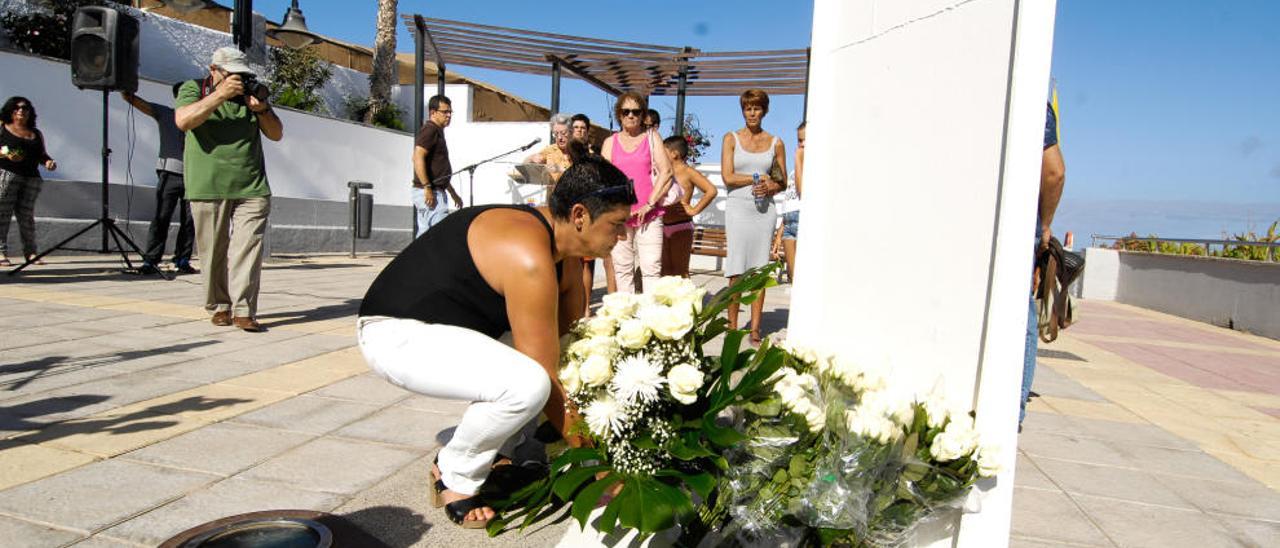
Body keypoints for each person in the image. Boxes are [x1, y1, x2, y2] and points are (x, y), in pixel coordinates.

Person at [356, 142, 634, 528]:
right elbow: (545, 377)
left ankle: (497, 450)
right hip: (394, 335)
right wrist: (604, 466)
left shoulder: (565, 257)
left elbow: (569, 347)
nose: (622, 236)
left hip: (449, 331)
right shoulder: (528, 254)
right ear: (580, 215)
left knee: (547, 364)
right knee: (528, 384)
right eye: (617, 225)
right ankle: (454, 474)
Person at [175, 47, 283, 332]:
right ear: (214, 70)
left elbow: (276, 134)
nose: (239, 80)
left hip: (253, 186)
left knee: (247, 250)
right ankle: (219, 305)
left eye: (243, 75)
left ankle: (244, 310)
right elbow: (184, 121)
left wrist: (262, 109)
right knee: (212, 252)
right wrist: (219, 95)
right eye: (233, 75)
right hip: (208, 185)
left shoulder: (251, 97)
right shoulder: (194, 88)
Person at [721, 89, 787, 344]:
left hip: (764, 212)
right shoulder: (731, 139)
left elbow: (782, 181)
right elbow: (728, 177)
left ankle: (755, 329)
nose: (752, 113)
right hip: (738, 209)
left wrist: (772, 185)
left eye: (757, 108)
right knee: (735, 269)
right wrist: (758, 178)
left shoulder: (776, 143)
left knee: (759, 270)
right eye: (748, 108)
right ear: (743, 110)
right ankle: (731, 326)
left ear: (764, 111)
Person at [1020, 101, 1066, 426]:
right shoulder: (1033, 98)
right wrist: (1044, 226)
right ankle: (1012, 412)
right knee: (1021, 317)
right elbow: (1054, 171)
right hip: (1020, 229)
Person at [601, 92, 674, 293]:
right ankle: (627, 320)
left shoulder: (652, 138)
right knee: (622, 270)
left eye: (636, 111)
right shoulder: (610, 143)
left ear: (643, 115)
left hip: (649, 215)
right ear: (619, 114)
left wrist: (650, 203)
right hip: (620, 217)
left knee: (651, 270)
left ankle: (649, 320)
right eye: (626, 112)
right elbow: (604, 179)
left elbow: (666, 171)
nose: (631, 116)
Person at [121, 84, 197, 275]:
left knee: (189, 221)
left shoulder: (201, 119)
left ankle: (183, 258)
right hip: (169, 173)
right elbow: (136, 102)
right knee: (161, 217)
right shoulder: (166, 114)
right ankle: (151, 260)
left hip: (195, 175)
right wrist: (125, 88)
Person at [0, 96, 56, 267]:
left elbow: (42, 154)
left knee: (26, 217)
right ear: (10, 110)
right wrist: (6, 154)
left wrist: (48, 162)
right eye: (16, 108)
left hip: (31, 178)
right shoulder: (3, 127)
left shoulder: (36, 133)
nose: (21, 111)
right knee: (2, 214)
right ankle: (1, 251)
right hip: (8, 174)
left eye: (25, 108)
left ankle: (30, 252)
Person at [660, 135, 718, 277]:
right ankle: (666, 299)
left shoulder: (688, 172)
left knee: (680, 270)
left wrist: (694, 210)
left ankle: (685, 299)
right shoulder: (663, 172)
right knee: (664, 270)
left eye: (663, 151)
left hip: (681, 226)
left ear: (675, 154)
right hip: (661, 225)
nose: (660, 154)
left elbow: (711, 190)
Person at [412, 95, 463, 237]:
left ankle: (419, 259)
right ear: (433, 112)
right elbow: (417, 157)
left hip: (435, 190)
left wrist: (453, 193)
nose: (448, 115)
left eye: (450, 112)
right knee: (439, 234)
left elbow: (438, 172)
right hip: (430, 192)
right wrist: (427, 187)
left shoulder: (437, 132)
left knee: (426, 234)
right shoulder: (430, 130)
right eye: (444, 112)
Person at [776, 121, 805, 283]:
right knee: (793, 276)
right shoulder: (797, 169)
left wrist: (798, 158)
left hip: (802, 220)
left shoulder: (808, 164)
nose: (802, 144)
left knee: (803, 277)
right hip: (789, 223)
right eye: (800, 140)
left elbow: (802, 191)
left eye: (806, 140)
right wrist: (780, 232)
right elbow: (790, 199)